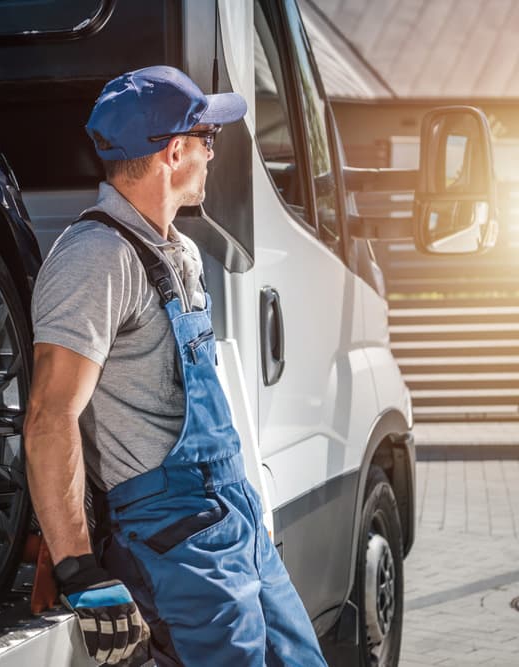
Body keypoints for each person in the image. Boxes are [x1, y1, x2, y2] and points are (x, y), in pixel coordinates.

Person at [24, 65, 328, 666]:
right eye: (208, 140)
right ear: (174, 151)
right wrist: (79, 567)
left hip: (229, 513)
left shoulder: (178, 252)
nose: (213, 155)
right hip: (173, 537)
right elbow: (48, 415)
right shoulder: (95, 258)